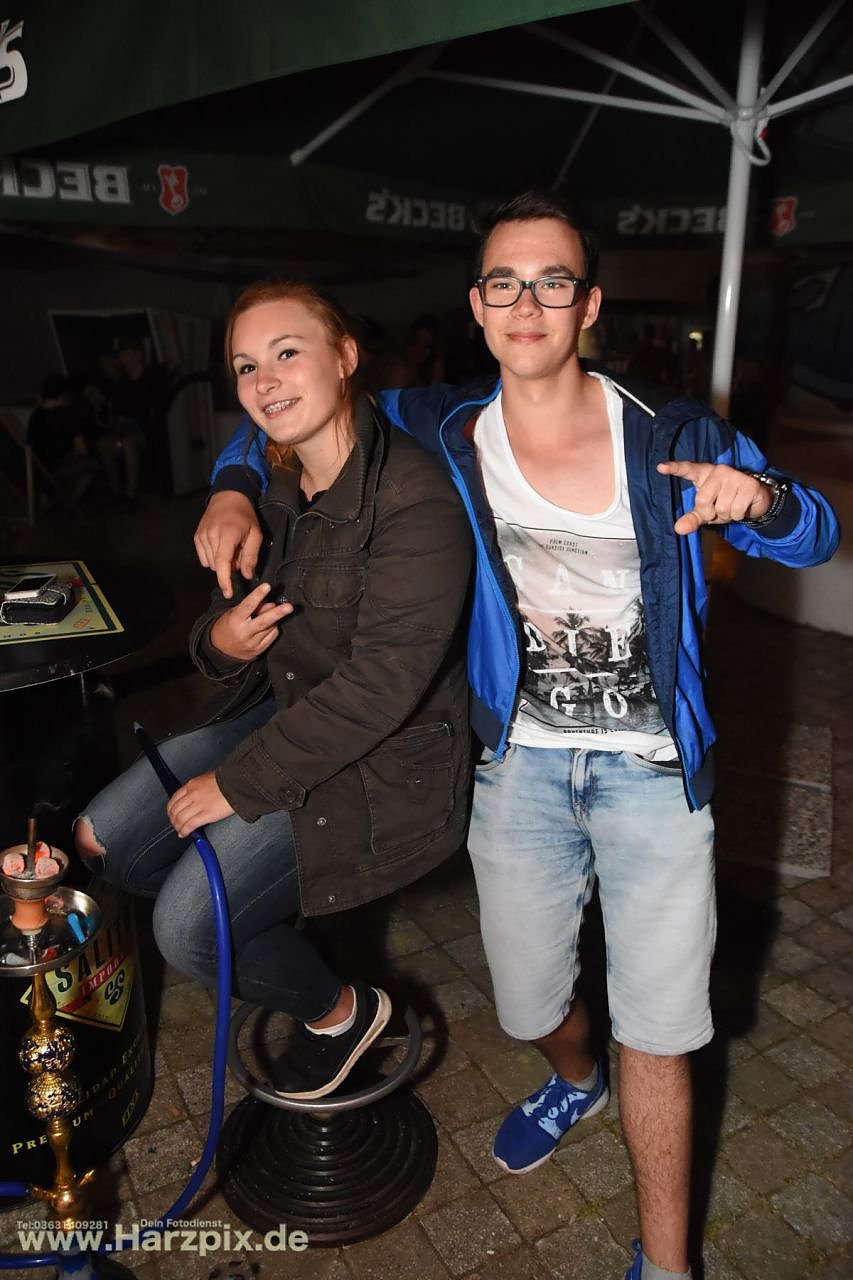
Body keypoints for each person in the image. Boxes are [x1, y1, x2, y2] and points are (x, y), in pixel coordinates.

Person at [193, 194, 839, 1278]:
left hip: (652, 774)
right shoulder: (444, 426)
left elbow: (814, 533)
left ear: (588, 304)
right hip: (518, 766)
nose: (526, 302)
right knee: (530, 1000)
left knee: (658, 1031)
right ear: (478, 304)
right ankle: (572, 1077)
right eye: (503, 282)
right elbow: (289, 400)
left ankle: (666, 1264)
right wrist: (231, 485)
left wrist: (761, 498)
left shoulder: (675, 433)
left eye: (551, 282)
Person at [75, 280, 473, 1101]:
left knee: (186, 931)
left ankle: (343, 1014)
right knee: (101, 843)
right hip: (284, 712)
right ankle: (270, 929)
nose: (264, 382)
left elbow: (380, 690)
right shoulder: (281, 487)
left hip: (383, 761)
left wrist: (237, 784)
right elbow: (232, 633)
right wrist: (218, 642)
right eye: (245, 366)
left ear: (346, 356)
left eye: (287, 353)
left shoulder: (415, 501)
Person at [26, 374, 100, 509]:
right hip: (56, 469)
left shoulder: (36, 415)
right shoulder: (67, 414)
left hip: (36, 469)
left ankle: (56, 499)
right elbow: (82, 448)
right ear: (63, 395)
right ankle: (68, 502)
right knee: (92, 464)